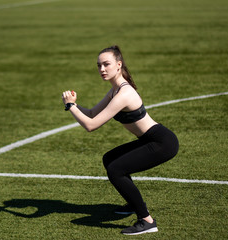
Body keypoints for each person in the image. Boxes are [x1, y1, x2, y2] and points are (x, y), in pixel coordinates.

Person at [62, 45, 179, 235]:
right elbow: (92, 113)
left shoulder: (124, 93)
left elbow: (91, 125)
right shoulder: (115, 90)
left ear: (118, 65)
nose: (102, 69)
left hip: (162, 142)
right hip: (149, 139)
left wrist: (70, 107)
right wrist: (74, 104)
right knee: (109, 159)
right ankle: (133, 204)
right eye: (99, 65)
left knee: (116, 170)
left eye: (106, 64)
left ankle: (147, 221)